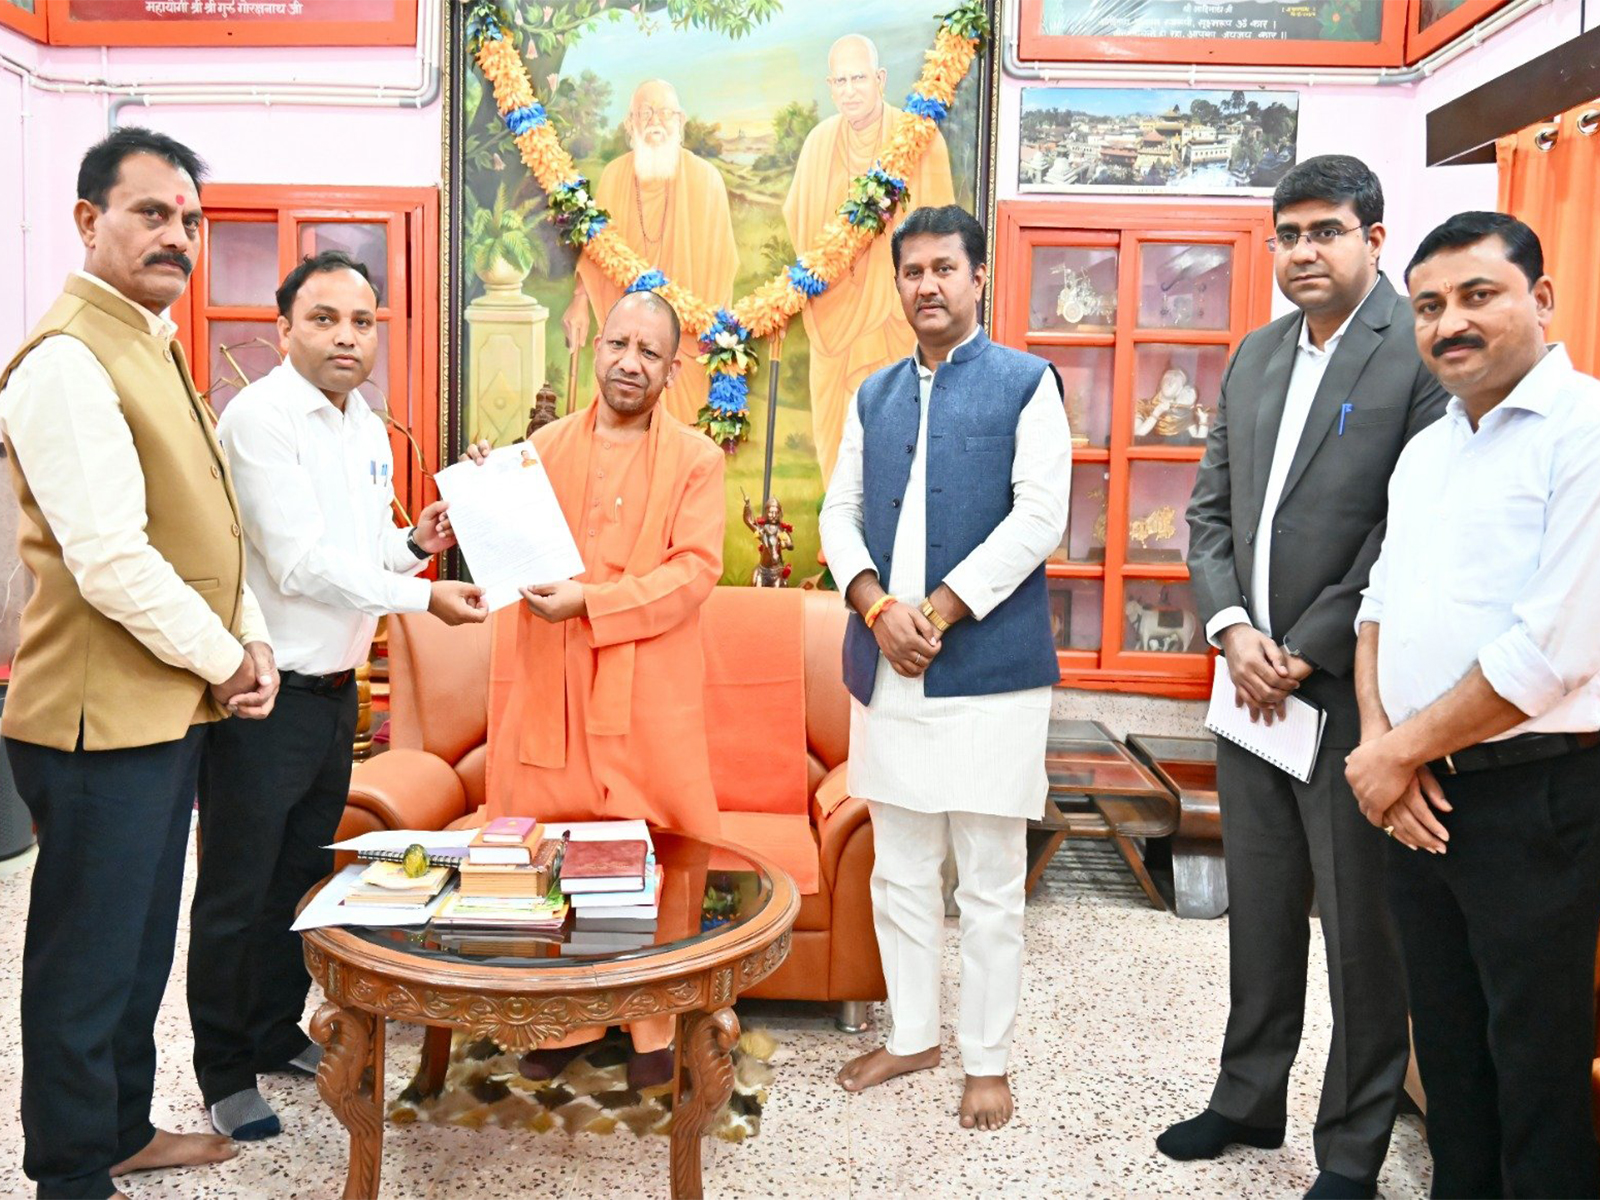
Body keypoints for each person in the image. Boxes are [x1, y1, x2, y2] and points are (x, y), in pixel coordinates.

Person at [0, 127, 278, 1200]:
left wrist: (244, 637)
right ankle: (73, 1170)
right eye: (152, 213)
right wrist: (224, 658)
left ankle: (119, 1126)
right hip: (93, 722)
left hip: (162, 712)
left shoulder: (149, 342)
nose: (178, 235)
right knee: (85, 963)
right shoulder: (68, 361)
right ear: (88, 221)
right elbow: (112, 559)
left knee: (135, 949)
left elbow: (207, 520)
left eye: (190, 220)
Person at [1172, 154, 1449, 1200]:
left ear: (1374, 238)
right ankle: (1245, 1100)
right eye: (1286, 235)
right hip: (1247, 689)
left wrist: (1308, 644)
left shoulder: (1412, 354)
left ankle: (1351, 1149)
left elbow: (1404, 527)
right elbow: (1208, 514)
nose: (1301, 253)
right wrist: (1235, 629)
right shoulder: (1252, 356)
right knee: (1263, 907)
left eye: (1325, 231)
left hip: (1347, 695)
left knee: (1361, 935)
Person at [188, 251, 488, 1142]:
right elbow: (299, 563)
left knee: (299, 879)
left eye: (362, 322)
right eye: (324, 319)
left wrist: (415, 541)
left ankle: (275, 1028)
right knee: (237, 892)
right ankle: (221, 1070)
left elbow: (361, 552)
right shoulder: (261, 419)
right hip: (264, 696)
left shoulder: (360, 423)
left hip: (333, 695)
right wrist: (424, 596)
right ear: (284, 331)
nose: (346, 337)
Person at [1346, 211, 1600, 1198]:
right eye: (1428, 306)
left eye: (1476, 295)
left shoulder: (1583, 434)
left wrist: (1393, 754)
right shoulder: (1430, 450)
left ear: (1540, 298)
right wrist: (1383, 749)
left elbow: (1549, 654)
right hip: (1415, 799)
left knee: (1533, 1069)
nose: (1449, 322)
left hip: (1533, 800)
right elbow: (1376, 613)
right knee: (1447, 1058)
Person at [818, 204, 1072, 1131]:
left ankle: (987, 1059)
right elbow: (837, 513)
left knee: (993, 877)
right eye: (912, 270)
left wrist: (941, 608)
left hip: (993, 674)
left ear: (978, 280)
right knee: (900, 865)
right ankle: (915, 1033)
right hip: (887, 669)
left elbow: (1040, 516)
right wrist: (876, 605)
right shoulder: (874, 393)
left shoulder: (1024, 383)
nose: (927, 284)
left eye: (943, 269)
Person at [466, 287, 726, 1088]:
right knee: (561, 856)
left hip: (647, 690)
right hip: (554, 683)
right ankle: (570, 1017)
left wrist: (598, 603)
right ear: (598, 347)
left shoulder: (696, 459)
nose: (629, 363)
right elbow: (503, 547)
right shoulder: (542, 448)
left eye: (650, 352)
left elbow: (695, 572)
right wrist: (484, 489)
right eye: (619, 345)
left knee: (655, 856)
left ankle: (655, 1027)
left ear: (672, 369)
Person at [783, 33, 955, 481]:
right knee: (834, 429)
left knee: (896, 427)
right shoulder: (819, 144)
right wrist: (845, 266)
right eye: (839, 80)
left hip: (895, 318)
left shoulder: (919, 140)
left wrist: (882, 272)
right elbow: (799, 222)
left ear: (879, 79)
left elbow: (942, 237)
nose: (849, 90)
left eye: (858, 77)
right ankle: (835, 537)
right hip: (833, 312)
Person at [566, 79, 739, 426]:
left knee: (680, 443)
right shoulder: (615, 175)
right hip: (625, 342)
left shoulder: (706, 180)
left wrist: (705, 336)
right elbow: (598, 249)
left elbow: (723, 267)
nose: (655, 122)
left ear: (681, 120)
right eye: (645, 113)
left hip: (685, 344)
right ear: (630, 124)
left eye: (664, 113)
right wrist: (580, 300)